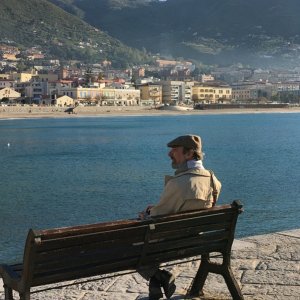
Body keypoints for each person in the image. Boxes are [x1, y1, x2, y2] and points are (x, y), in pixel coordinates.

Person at [139, 134, 222, 300]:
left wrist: (146, 214)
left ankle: (160, 276)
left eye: (174, 151)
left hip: (171, 243)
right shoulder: (214, 181)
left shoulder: (179, 183)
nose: (169, 154)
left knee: (133, 247)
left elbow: (157, 217)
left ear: (189, 154)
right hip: (195, 240)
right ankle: (157, 282)